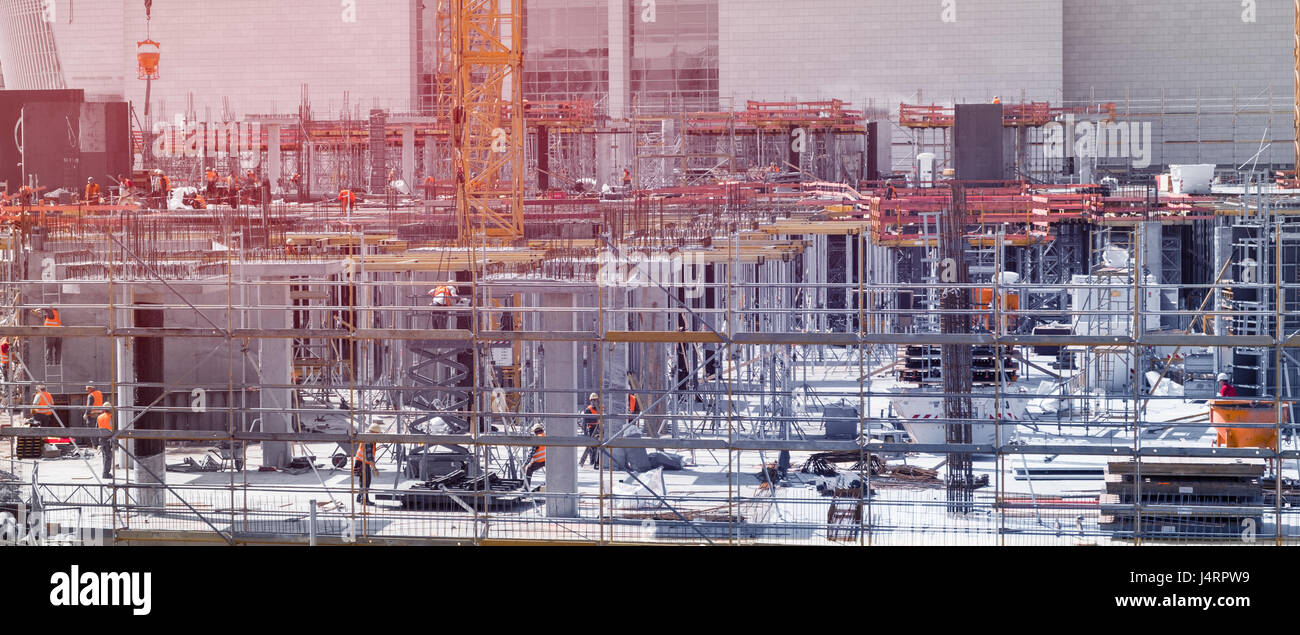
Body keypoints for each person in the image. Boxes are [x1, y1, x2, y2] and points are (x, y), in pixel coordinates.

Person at [353, 422, 382, 505]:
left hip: (360, 461)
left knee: (363, 481)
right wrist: (374, 468)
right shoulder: (369, 440)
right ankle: (364, 500)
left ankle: (360, 497)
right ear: (374, 433)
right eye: (377, 434)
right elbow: (369, 456)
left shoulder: (367, 437)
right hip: (362, 463)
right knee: (366, 482)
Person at [578, 393, 601, 468]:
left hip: (600, 429)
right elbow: (586, 420)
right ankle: (592, 461)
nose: (593, 402)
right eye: (592, 400)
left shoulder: (601, 408)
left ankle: (597, 462)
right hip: (592, 429)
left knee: (600, 446)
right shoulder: (588, 409)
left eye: (595, 400)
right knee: (592, 446)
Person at [96, 402, 114, 479]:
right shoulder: (110, 416)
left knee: (105, 456)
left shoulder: (99, 417)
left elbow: (96, 429)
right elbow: (113, 428)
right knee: (108, 456)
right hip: (108, 438)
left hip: (101, 438)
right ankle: (105, 474)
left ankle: (105, 472)